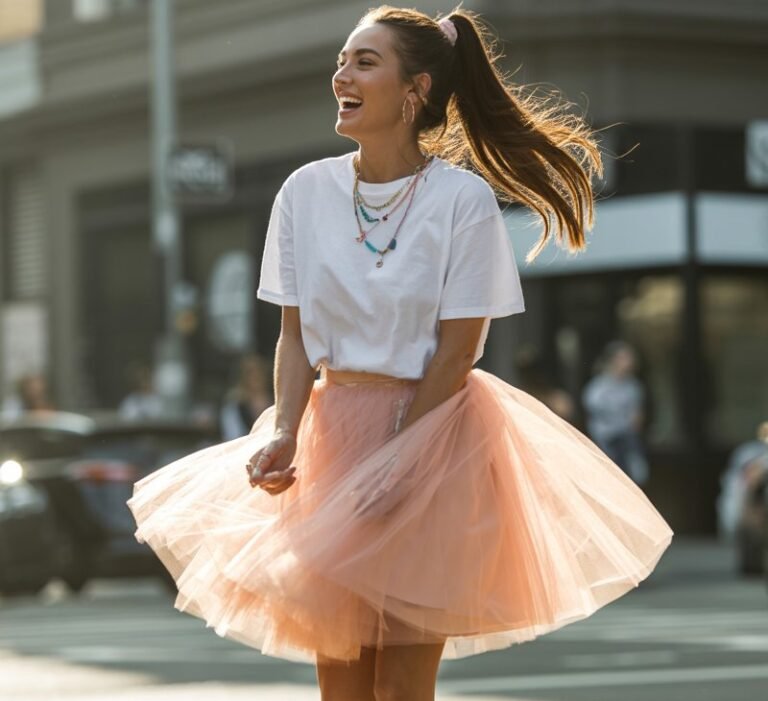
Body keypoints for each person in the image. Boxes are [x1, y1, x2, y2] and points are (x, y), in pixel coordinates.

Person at [127, 7, 673, 700]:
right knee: (343, 685)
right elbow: (295, 335)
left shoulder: (462, 200)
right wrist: (286, 429)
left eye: (364, 62)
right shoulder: (303, 192)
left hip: (434, 435)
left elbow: (457, 351)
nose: (341, 76)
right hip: (332, 441)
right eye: (341, 61)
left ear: (416, 89)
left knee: (403, 688)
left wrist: (402, 458)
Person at [582, 341, 650, 485]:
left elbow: (637, 415)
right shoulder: (598, 387)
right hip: (606, 440)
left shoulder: (633, 387)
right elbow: (593, 410)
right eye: (624, 357)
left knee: (637, 474)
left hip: (628, 439)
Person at [219, 353, 273, 441]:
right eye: (251, 372)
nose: (256, 376)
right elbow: (232, 438)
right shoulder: (234, 409)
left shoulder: (277, 404)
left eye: (260, 371)